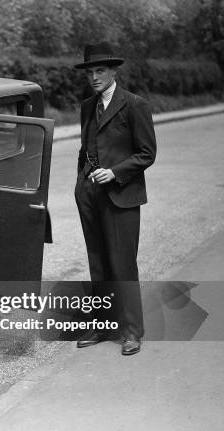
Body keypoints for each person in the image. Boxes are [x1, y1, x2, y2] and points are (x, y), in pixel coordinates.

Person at [73, 42, 156, 355]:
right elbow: (85, 150)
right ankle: (103, 325)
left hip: (121, 194)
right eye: (90, 72)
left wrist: (115, 172)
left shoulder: (135, 105)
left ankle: (132, 331)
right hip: (90, 195)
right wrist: (81, 183)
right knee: (98, 263)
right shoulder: (86, 107)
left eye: (100, 71)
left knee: (122, 265)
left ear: (113, 71)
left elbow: (146, 153)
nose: (94, 77)